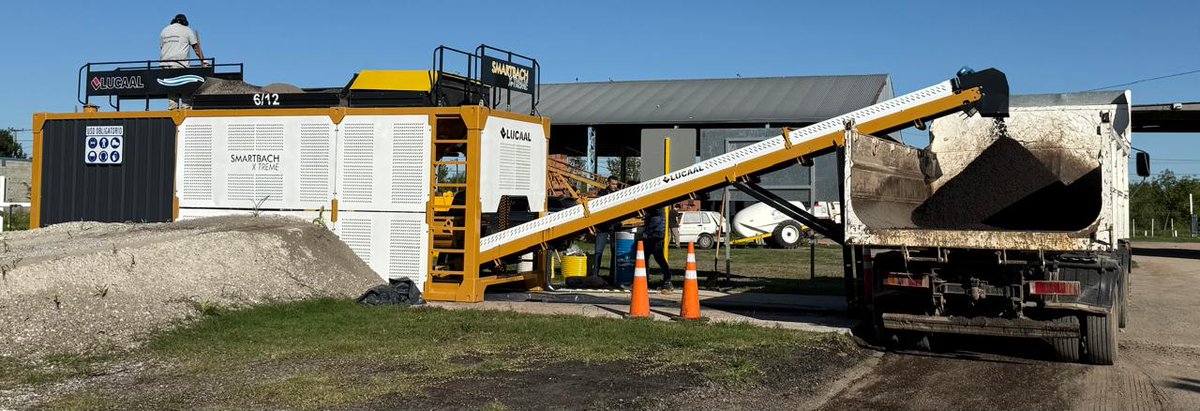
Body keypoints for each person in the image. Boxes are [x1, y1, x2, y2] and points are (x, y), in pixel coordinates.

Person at [160, 14, 207, 109]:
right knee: (186, 89)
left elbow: (162, 47)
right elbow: (196, 48)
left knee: (171, 90)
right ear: (184, 22)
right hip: (180, 64)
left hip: (165, 64)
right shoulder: (187, 30)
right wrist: (203, 61)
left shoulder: (164, 30)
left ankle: (173, 108)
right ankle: (186, 108)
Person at [591, 176, 622, 280]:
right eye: (613, 184)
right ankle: (595, 275)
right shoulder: (602, 193)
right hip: (603, 226)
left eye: (616, 184)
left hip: (615, 226)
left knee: (614, 251)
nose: (614, 186)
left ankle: (613, 275)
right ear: (608, 183)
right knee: (598, 251)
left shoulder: (619, 194)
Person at [642, 205, 673, 293]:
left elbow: (654, 217)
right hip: (654, 234)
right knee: (646, 258)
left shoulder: (657, 206)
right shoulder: (655, 210)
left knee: (657, 258)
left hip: (655, 235)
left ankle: (667, 280)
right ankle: (644, 281)